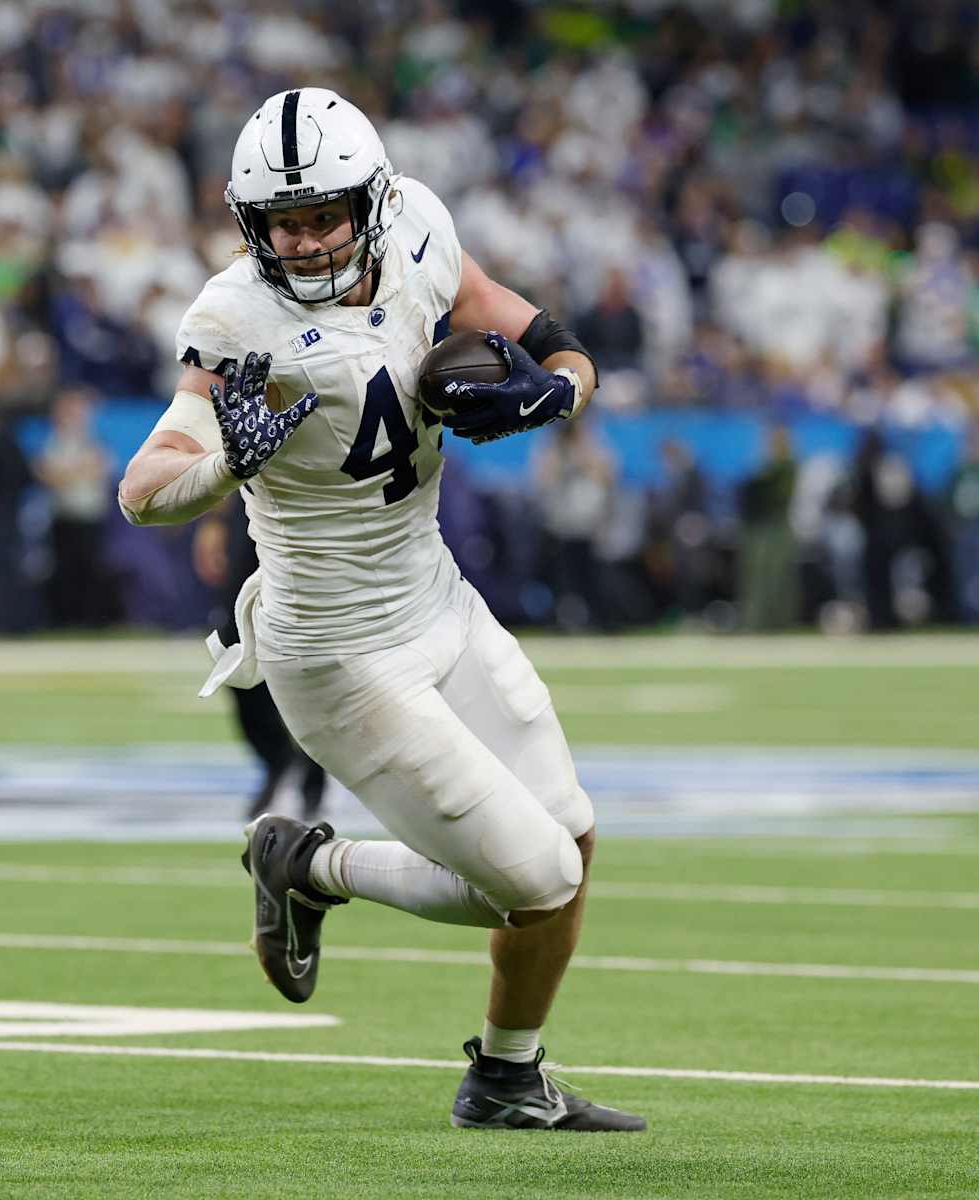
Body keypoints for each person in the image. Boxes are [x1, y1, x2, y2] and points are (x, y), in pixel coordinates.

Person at [118, 88, 643, 1133]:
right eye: (284, 223)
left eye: (325, 215)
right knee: (535, 879)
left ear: (375, 202)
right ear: (250, 225)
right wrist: (226, 462)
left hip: (437, 600)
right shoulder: (236, 320)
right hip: (336, 651)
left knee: (573, 844)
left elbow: (536, 331)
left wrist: (558, 391)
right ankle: (308, 865)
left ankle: (506, 1078)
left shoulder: (419, 234)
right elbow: (142, 489)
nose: (307, 241)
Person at [192, 494, 326, 820]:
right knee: (234, 647)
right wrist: (215, 518)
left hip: (317, 508)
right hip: (257, 502)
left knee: (308, 650)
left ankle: (316, 765)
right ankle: (277, 757)